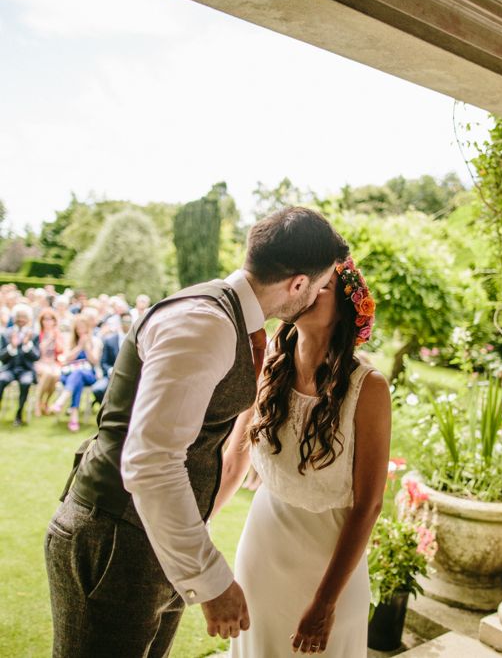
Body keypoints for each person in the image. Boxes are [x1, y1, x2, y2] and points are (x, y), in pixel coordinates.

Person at [44, 207, 349, 658]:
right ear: (299, 283)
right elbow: (150, 462)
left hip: (156, 541)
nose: (323, 293)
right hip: (116, 541)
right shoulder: (204, 324)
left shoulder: (233, 323)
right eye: (322, 284)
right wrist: (210, 580)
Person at [215, 257, 390, 657]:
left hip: (330, 570)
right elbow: (233, 463)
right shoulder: (271, 362)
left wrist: (325, 602)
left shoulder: (369, 388)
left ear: (346, 308)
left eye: (320, 286)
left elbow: (369, 504)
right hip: (262, 555)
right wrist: (194, 537)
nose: (304, 291)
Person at [50, 313, 100, 432]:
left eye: (83, 327)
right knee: (77, 378)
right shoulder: (70, 341)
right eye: (78, 328)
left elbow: (95, 361)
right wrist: (79, 346)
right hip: (69, 373)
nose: (80, 331)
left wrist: (86, 347)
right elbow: (67, 359)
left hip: (88, 373)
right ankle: (74, 416)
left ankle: (61, 401)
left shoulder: (95, 341)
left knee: (78, 374)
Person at [0, 304, 40, 426]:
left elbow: (36, 357)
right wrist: (11, 346)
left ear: (28, 319)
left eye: (24, 317)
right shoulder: (6, 333)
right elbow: (1, 357)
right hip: (10, 369)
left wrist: (27, 344)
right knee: (1, 379)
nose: (21, 319)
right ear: (14, 318)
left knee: (26, 382)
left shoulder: (33, 335)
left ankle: (19, 414)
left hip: (26, 370)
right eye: (18, 316)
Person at [91, 311, 132, 405]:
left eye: (129, 322)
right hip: (110, 376)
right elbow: (103, 362)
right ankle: (106, 407)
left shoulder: (135, 341)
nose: (127, 324)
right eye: (125, 321)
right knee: (98, 389)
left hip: (129, 377)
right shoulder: (109, 340)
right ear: (121, 322)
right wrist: (110, 370)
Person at [34, 308, 65, 416]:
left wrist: (56, 338)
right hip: (41, 362)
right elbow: (39, 350)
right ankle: (37, 403)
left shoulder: (57, 333)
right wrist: (49, 339)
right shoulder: (38, 334)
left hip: (54, 363)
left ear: (54, 321)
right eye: (45, 319)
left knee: (56, 375)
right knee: (47, 374)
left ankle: (46, 402)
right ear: (41, 321)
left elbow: (61, 350)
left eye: (51, 319)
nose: (48, 321)